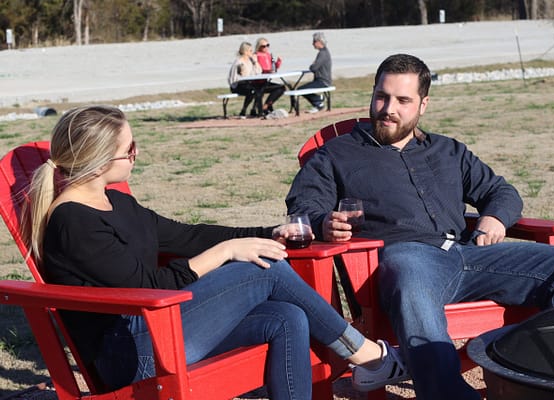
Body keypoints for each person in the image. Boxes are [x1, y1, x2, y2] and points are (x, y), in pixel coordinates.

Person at [20, 104, 409, 398]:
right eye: (130, 148)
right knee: (264, 268)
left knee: (285, 316)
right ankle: (365, 355)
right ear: (102, 159)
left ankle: (362, 356)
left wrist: (268, 232)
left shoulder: (114, 202)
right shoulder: (73, 221)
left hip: (162, 329)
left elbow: (187, 236)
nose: (136, 155)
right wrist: (226, 252)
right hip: (132, 352)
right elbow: (145, 287)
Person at [285, 54, 554, 400]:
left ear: (423, 104)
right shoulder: (336, 154)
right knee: (412, 277)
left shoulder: (448, 151)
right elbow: (303, 207)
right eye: (381, 96)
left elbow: (501, 191)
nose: (388, 108)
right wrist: (323, 222)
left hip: (469, 253)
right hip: (405, 260)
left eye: (403, 100)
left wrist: (494, 218)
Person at [297, 32, 332, 113]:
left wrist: (312, 65)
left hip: (323, 81)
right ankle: (318, 102)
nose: (313, 44)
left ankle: (318, 101)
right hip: (321, 80)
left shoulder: (322, 54)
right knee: (301, 89)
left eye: (314, 42)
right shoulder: (324, 52)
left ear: (319, 42)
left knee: (300, 90)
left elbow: (314, 68)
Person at [227, 41, 262, 117]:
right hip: (237, 85)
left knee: (260, 89)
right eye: (250, 51)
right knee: (252, 91)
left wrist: (255, 62)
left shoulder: (250, 61)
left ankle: (254, 109)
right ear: (245, 52)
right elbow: (235, 77)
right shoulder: (239, 62)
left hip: (248, 83)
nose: (252, 52)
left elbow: (258, 71)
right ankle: (244, 109)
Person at [254, 37, 285, 115]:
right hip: (258, 81)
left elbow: (274, 67)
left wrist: (279, 62)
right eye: (263, 46)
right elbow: (258, 69)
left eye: (267, 45)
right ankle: (263, 108)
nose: (266, 47)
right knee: (278, 88)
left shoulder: (269, 55)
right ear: (259, 46)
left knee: (281, 88)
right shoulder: (256, 55)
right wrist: (267, 71)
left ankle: (267, 105)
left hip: (266, 80)